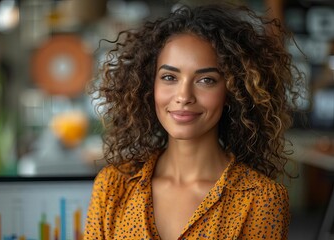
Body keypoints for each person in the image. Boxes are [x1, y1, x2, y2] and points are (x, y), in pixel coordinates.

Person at [85, 3, 303, 240]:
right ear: (150, 87)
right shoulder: (113, 185)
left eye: (206, 80)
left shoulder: (261, 198)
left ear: (233, 90)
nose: (184, 96)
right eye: (169, 77)